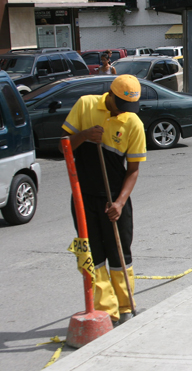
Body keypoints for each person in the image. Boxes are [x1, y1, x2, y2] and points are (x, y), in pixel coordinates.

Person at [60, 75, 146, 327]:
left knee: (119, 254)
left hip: (114, 202)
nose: (124, 112)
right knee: (93, 255)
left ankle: (126, 306)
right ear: (110, 95)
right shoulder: (85, 105)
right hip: (83, 198)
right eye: (121, 105)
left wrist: (119, 203)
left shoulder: (133, 123)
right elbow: (63, 146)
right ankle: (107, 312)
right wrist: (85, 135)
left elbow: (133, 170)